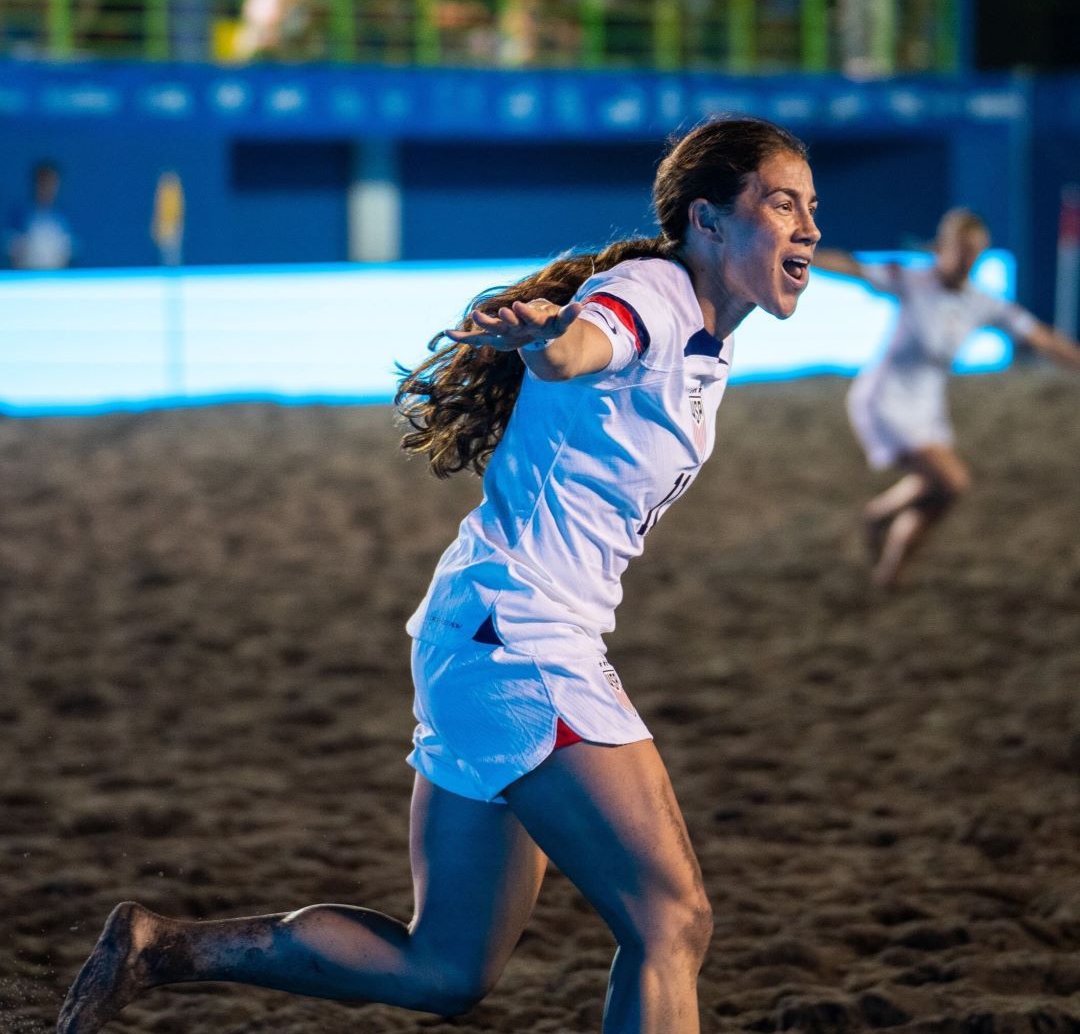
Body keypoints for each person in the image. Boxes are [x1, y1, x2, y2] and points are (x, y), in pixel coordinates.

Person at [56, 115, 821, 1034]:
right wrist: (547, 341)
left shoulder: (709, 332)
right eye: (782, 203)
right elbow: (587, 345)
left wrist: (552, 345)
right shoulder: (654, 293)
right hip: (521, 640)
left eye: (812, 206)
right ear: (707, 220)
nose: (809, 226)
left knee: (445, 967)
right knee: (671, 922)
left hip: (478, 635)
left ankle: (163, 949)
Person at [815, 208, 1080, 589]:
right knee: (951, 480)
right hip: (884, 400)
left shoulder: (982, 302)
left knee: (941, 495)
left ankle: (888, 564)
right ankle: (880, 523)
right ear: (942, 248)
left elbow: (1041, 337)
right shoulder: (911, 279)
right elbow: (852, 268)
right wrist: (800, 256)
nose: (966, 260)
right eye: (960, 250)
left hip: (927, 406)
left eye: (974, 253)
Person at [4, 160, 74, 270]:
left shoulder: (61, 219)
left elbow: (68, 254)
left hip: (56, 280)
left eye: (52, 183)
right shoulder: (20, 217)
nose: (48, 188)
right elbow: (12, 252)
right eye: (44, 182)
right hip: (25, 279)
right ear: (36, 184)